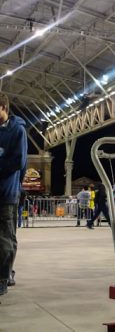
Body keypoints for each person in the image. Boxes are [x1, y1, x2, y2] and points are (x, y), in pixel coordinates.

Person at [0, 92, 28, 295]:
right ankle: (7, 272)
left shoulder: (17, 130)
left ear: (3, 107)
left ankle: (3, 278)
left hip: (6, 193)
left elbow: (19, 162)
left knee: (5, 239)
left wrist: (16, 187)